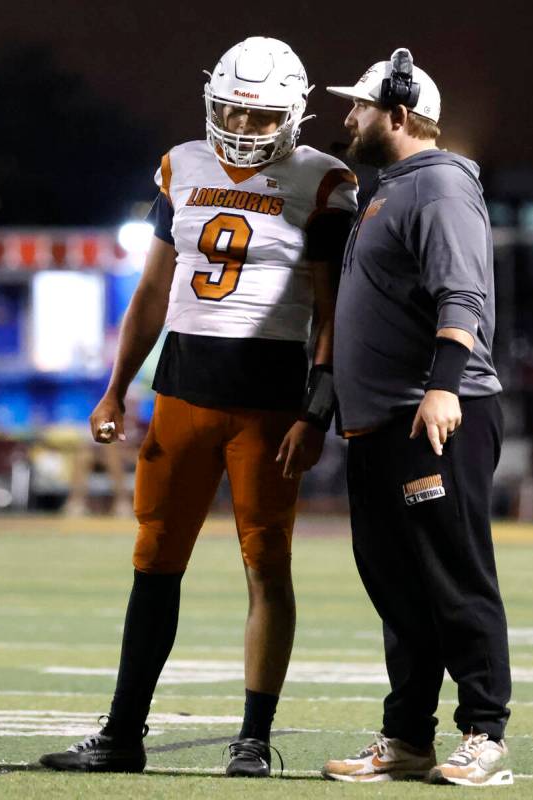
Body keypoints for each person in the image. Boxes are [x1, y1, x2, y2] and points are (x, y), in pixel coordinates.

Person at [39, 36, 357, 777]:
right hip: (181, 387)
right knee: (153, 561)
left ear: (292, 114)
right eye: (232, 111)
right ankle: (122, 734)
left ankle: (251, 737)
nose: (243, 128)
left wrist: (317, 406)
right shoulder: (181, 164)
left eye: (258, 115)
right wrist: (117, 385)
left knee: (266, 567)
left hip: (270, 401)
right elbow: (152, 291)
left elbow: (331, 306)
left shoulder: (321, 178)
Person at [321, 49, 513, 787]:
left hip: (429, 417)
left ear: (398, 114)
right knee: (399, 592)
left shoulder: (434, 187)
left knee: (454, 577)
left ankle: (484, 733)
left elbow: (460, 296)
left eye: (360, 108)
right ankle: (405, 738)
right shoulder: (393, 188)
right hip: (380, 423)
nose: (349, 119)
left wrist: (443, 388)